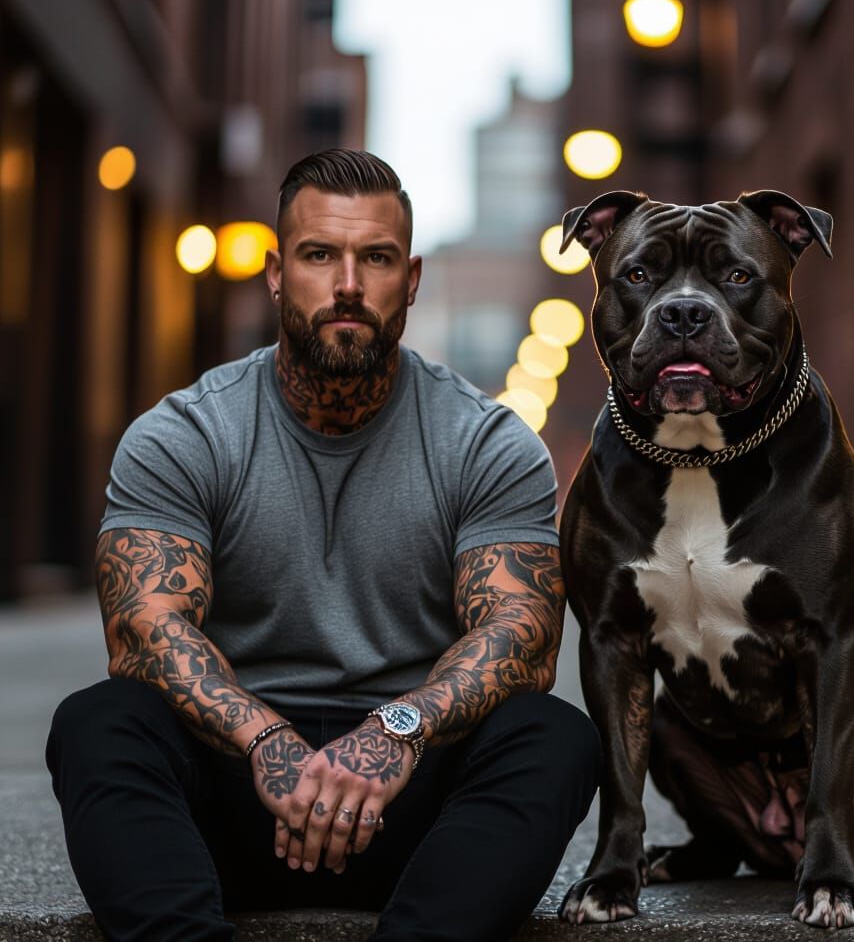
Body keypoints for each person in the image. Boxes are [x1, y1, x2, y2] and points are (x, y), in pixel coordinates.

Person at [46, 148, 600, 942]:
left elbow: (523, 638)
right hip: (233, 790)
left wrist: (393, 733)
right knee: (101, 722)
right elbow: (144, 632)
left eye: (374, 258)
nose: (347, 284)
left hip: (411, 810)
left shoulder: (486, 442)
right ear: (277, 274)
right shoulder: (185, 433)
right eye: (318, 255)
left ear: (409, 281)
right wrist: (266, 741)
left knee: (554, 735)